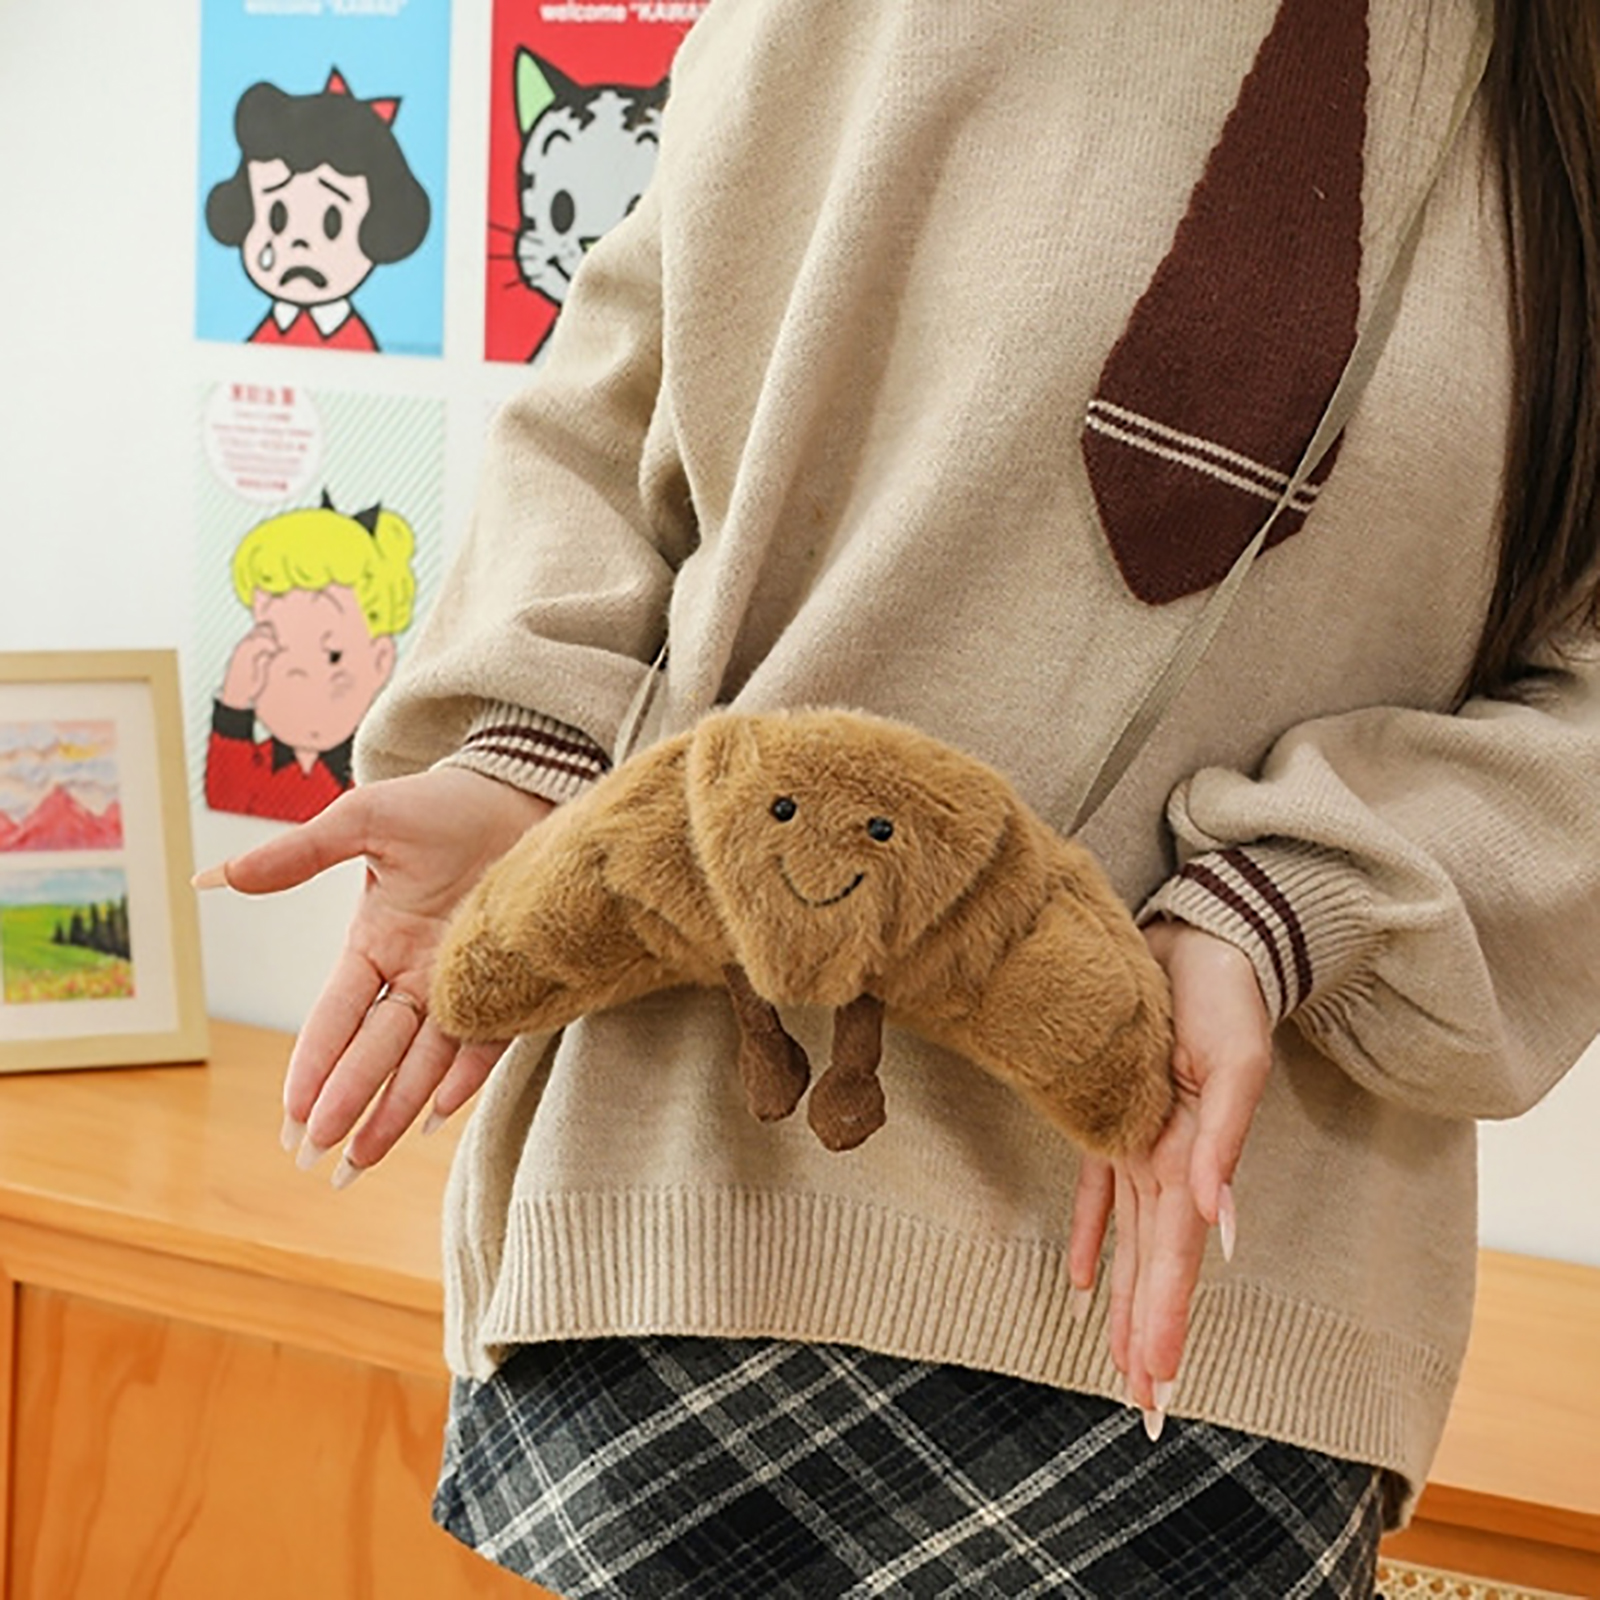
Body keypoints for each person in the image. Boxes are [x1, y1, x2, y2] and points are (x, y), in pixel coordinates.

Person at [196, 1, 1600, 1594]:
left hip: (1211, 1307)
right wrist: (522, 749)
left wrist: (1291, 903)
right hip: (686, 1211)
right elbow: (617, 389)